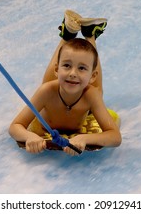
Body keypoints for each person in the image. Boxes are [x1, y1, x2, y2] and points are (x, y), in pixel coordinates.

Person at [9, 10, 121, 155]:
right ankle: (68, 35)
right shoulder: (46, 91)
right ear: (57, 68)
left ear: (93, 75)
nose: (73, 73)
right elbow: (15, 126)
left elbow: (115, 137)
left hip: (82, 100)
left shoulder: (90, 94)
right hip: (51, 98)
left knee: (96, 90)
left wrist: (84, 138)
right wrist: (29, 136)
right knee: (49, 84)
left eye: (81, 68)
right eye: (67, 66)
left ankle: (90, 35)